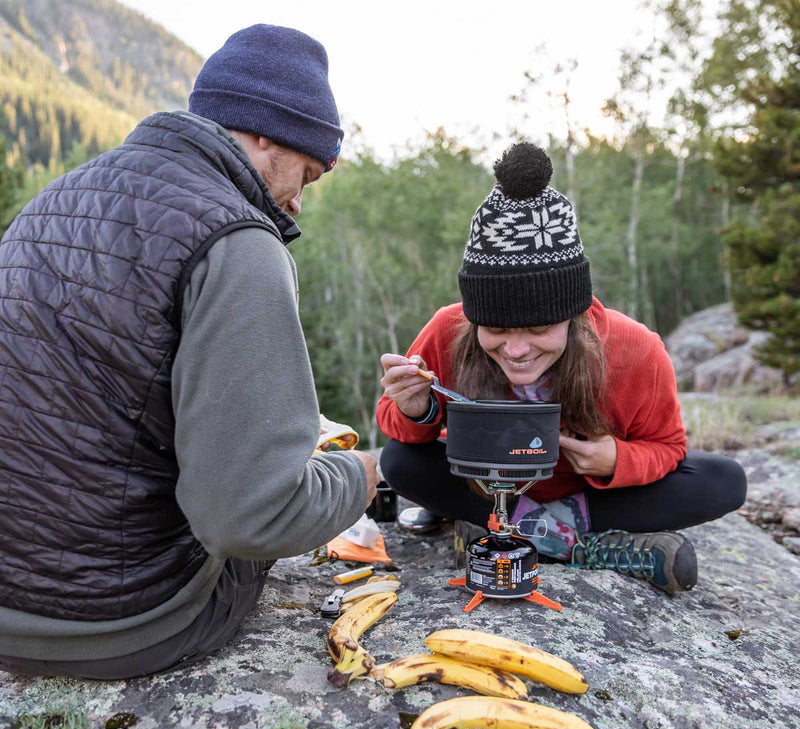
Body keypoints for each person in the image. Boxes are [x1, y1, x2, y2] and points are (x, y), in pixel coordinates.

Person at [0, 24, 379, 679]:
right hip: (118, 622)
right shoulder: (238, 240)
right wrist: (364, 474)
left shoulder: (53, 202)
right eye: (307, 175)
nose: (295, 201)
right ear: (265, 133)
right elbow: (253, 517)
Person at [377, 142, 746, 595]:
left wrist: (616, 460)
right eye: (494, 329)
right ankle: (578, 546)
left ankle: (505, 536)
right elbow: (395, 426)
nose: (515, 350)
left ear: (573, 315)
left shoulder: (636, 350)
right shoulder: (448, 329)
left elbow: (668, 447)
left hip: (591, 495)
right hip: (486, 485)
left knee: (723, 480)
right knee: (397, 460)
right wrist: (417, 411)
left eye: (537, 329)